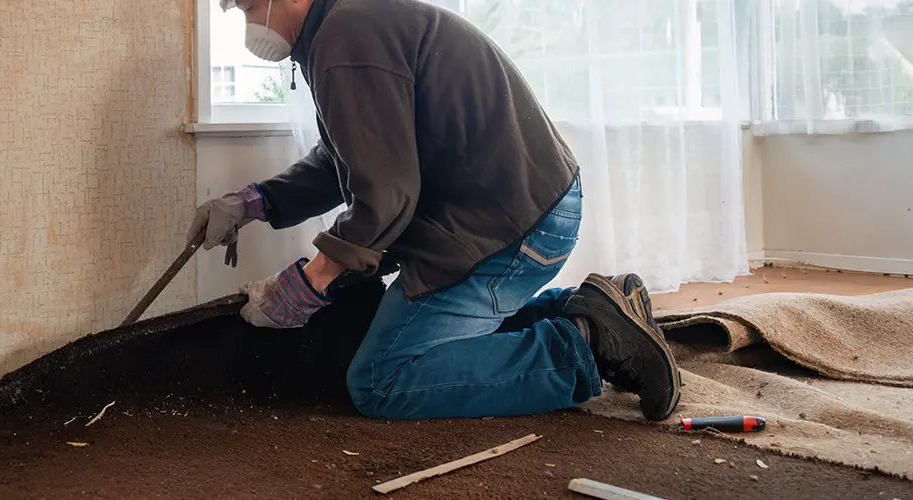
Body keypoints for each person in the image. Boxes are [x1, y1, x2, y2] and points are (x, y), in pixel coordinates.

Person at [189, 0, 681, 421]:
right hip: (521, 210)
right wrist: (256, 201)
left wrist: (312, 279)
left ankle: (587, 344)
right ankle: (590, 307)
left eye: (250, 8)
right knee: (409, 338)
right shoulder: (348, 24)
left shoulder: (345, 35)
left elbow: (386, 191)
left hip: (507, 231)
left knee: (382, 379)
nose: (248, 25)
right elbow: (354, 155)